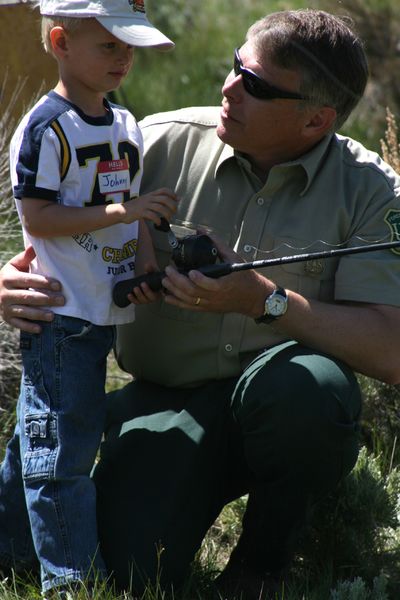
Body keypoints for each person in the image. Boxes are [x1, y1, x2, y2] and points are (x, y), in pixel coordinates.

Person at [1, 7, 400, 600]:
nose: (229, 87)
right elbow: (48, 228)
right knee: (133, 568)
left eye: (257, 85)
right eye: (236, 66)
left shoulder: (370, 191)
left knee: (308, 393)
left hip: (280, 405)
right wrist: (8, 282)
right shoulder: (146, 140)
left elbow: (392, 350)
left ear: (316, 119)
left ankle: (263, 562)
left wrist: (264, 301)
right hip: (166, 400)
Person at [0, 0, 177, 597]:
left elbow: (124, 213)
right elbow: (39, 215)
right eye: (109, 45)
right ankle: (71, 583)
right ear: (59, 42)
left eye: (130, 46)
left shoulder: (124, 124)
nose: (124, 57)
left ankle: (9, 549)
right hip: (59, 311)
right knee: (64, 454)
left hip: (99, 309)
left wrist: (144, 256)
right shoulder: (47, 128)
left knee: (42, 435)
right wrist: (125, 211)